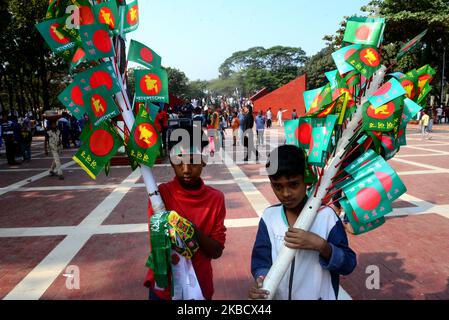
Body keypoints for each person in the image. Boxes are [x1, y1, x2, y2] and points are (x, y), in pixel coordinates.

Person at [249, 145, 356, 300]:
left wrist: (322, 246)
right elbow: (261, 260)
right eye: (278, 186)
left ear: (306, 181)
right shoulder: (269, 217)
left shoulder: (327, 217)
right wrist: (261, 280)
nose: (285, 193)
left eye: (293, 184)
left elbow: (348, 264)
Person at [144, 123, 227, 300]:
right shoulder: (160, 196)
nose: (186, 169)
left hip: (199, 289)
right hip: (164, 287)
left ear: (203, 160)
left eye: (193, 161)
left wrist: (193, 231)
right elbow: (157, 245)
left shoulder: (216, 199)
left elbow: (217, 251)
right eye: (179, 161)